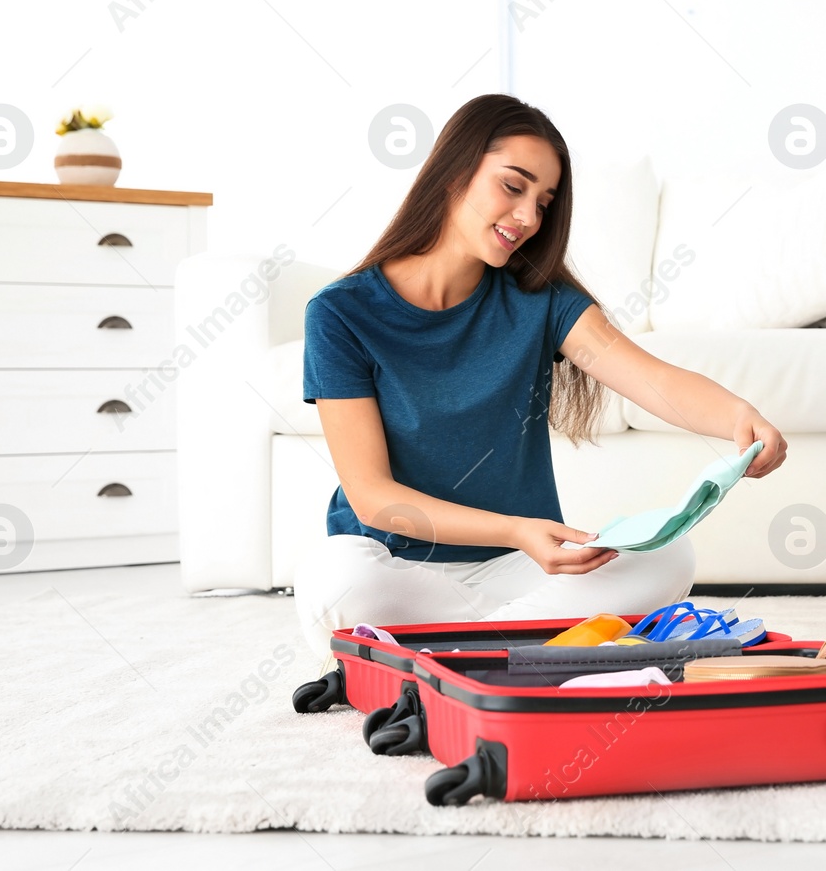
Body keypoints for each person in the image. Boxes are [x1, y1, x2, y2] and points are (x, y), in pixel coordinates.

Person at [293, 94, 787, 657]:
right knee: (336, 580)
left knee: (669, 558)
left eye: (544, 202)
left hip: (518, 572)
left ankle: (442, 653)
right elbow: (374, 498)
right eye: (513, 186)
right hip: (395, 571)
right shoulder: (340, 313)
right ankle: (522, 645)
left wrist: (738, 417)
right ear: (454, 171)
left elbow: (652, 379)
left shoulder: (540, 298)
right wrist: (515, 529)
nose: (529, 218)